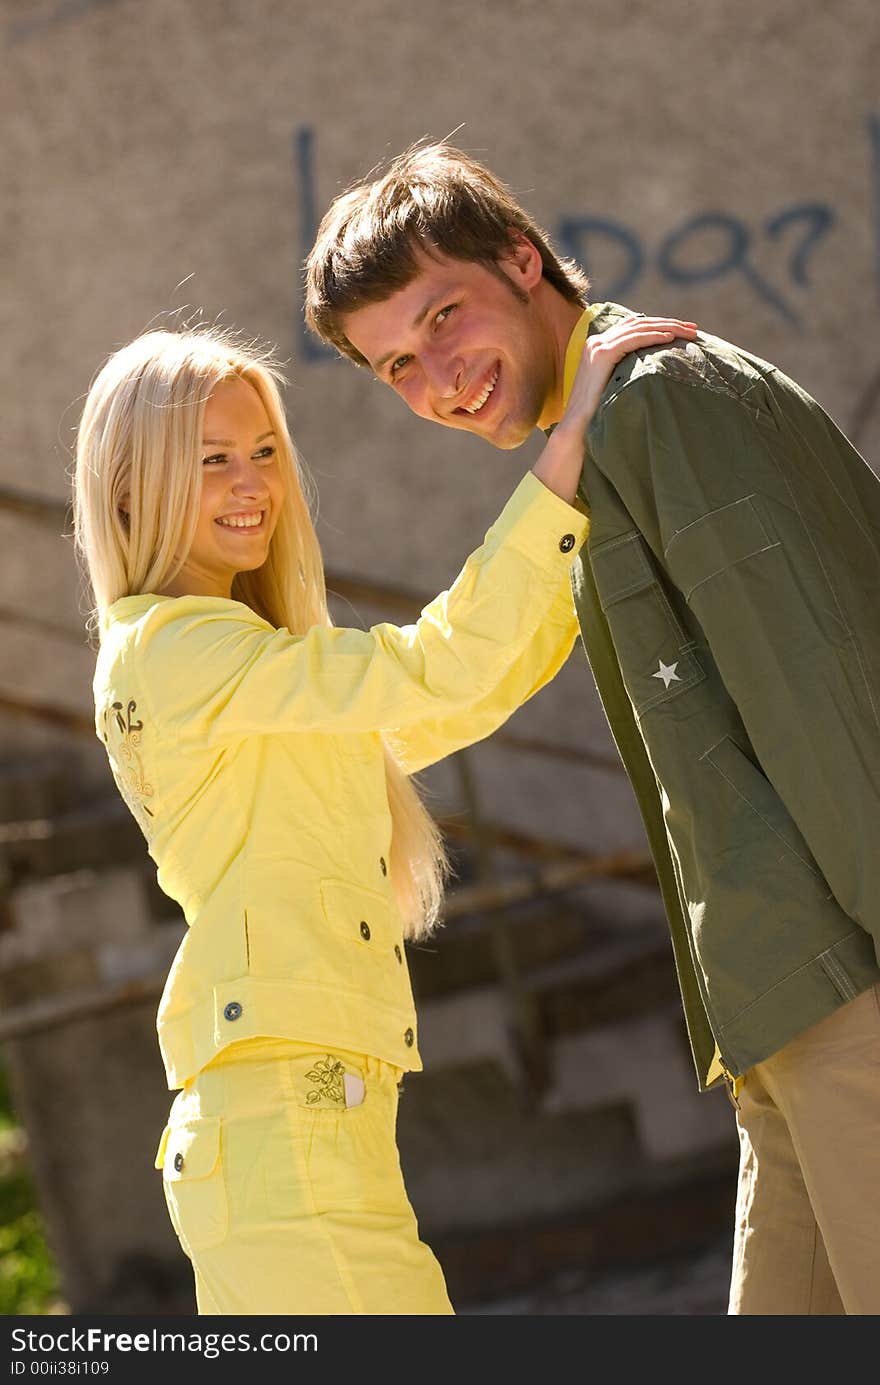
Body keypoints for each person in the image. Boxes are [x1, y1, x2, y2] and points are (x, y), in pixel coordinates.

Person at [303, 142, 880, 1316]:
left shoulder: (663, 406)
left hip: (843, 987)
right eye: (397, 366)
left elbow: (825, 696)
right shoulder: (599, 440)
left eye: (446, 318)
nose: (438, 380)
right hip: (772, 996)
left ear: (525, 260)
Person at [71, 314, 690, 1315]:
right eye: (214, 458)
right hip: (284, 1129)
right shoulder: (180, 653)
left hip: (285, 1127)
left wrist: (579, 533)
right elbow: (431, 666)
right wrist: (567, 452)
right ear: (132, 486)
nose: (252, 482)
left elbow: (452, 696)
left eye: (265, 451)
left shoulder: (225, 661)